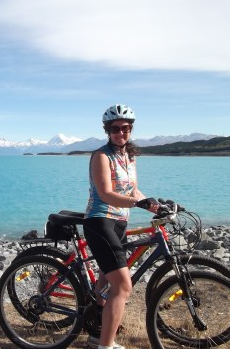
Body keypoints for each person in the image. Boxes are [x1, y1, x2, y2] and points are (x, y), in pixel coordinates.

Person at [83, 104, 158, 349]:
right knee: (122, 286)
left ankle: (95, 329)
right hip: (100, 221)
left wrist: (156, 204)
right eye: (115, 128)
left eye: (126, 128)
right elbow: (106, 194)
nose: (121, 133)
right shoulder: (101, 156)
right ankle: (105, 345)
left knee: (105, 283)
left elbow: (133, 191)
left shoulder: (130, 156)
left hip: (120, 223)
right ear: (108, 130)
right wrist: (140, 203)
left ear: (131, 129)